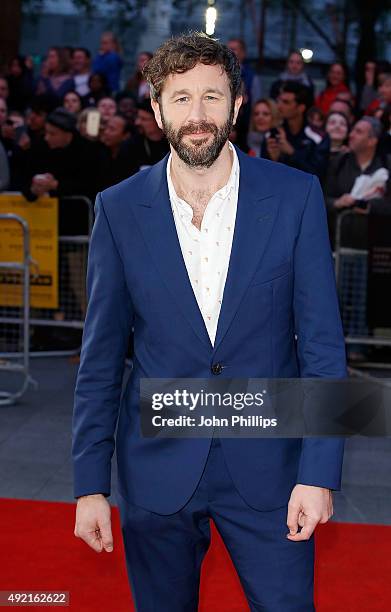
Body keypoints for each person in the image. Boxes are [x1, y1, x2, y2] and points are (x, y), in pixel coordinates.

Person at [72, 32, 346, 612]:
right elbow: (99, 359)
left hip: (272, 469)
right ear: (155, 109)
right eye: (180, 98)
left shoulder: (295, 197)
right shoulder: (118, 209)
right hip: (156, 470)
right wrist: (90, 484)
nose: (197, 116)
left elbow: (322, 346)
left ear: (238, 105)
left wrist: (320, 472)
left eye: (212, 98)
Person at [266, 80, 329, 177]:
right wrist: (274, 159)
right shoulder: (272, 133)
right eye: (279, 101)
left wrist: (292, 153)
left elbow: (318, 176)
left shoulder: (318, 137)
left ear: (301, 108)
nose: (279, 106)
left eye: (286, 102)